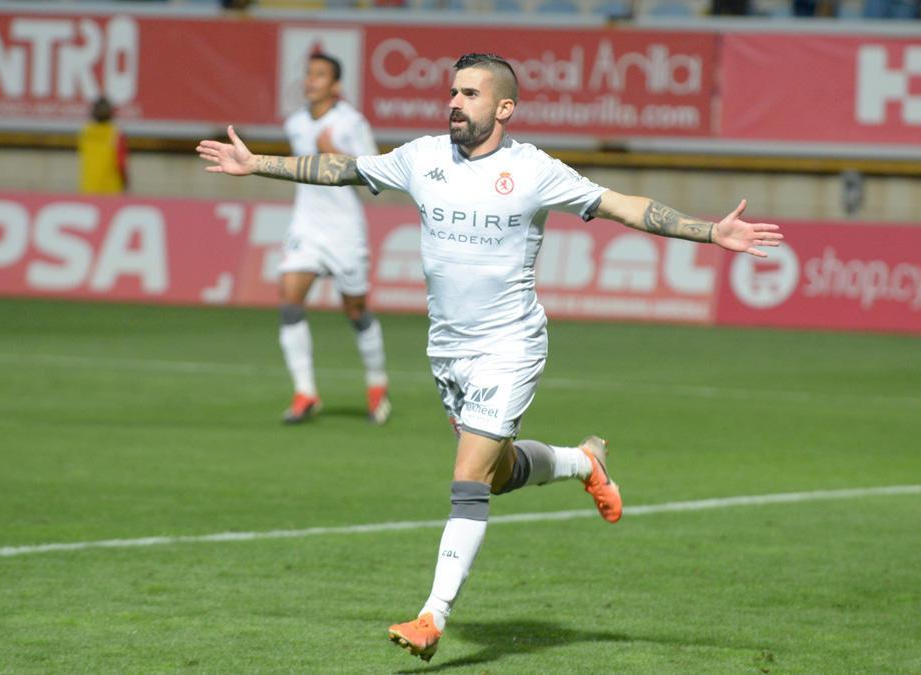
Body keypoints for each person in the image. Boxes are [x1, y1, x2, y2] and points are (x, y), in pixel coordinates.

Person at [197, 52, 782, 663]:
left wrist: (709, 232)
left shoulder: (532, 171)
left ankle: (432, 615)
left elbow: (621, 205)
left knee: (467, 479)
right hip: (447, 351)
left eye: (471, 94)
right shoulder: (422, 158)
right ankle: (583, 462)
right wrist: (255, 162)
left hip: (509, 346)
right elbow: (342, 167)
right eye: (453, 91)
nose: (455, 102)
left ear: (504, 108)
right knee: (497, 475)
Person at [276, 52, 390, 425]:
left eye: (320, 75)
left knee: (355, 311)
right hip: (306, 227)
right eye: (308, 74)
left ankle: (377, 385)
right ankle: (305, 392)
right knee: (290, 302)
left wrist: (335, 154)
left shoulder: (351, 122)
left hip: (345, 232)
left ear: (336, 85)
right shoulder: (294, 124)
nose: (311, 81)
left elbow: (377, 175)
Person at [78, 96, 128, 195]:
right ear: (111, 114)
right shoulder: (116, 133)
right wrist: (125, 180)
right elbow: (121, 162)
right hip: (111, 189)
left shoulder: (85, 132)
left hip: (88, 188)